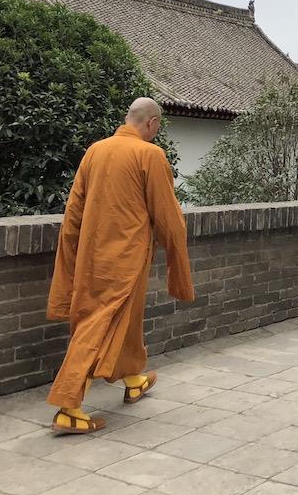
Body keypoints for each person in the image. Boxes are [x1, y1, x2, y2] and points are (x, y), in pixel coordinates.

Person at [45, 97, 195, 433]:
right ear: (152, 124)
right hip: (126, 259)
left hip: (91, 255)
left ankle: (134, 379)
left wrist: (70, 252)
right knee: (97, 324)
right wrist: (177, 254)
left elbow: (74, 212)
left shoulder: (95, 150)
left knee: (124, 320)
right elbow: (167, 215)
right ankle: (68, 406)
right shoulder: (150, 155)